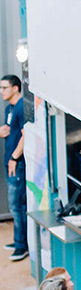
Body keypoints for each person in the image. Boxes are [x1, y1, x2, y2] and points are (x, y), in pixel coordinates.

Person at [0, 72, 28, 262]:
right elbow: (8, 130)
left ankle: (21, 246)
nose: (1, 91)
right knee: (16, 204)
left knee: (16, 205)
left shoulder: (20, 108)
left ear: (15, 88)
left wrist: (14, 158)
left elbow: (26, 135)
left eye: (4, 88)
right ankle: (19, 240)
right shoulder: (9, 108)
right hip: (10, 161)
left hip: (15, 164)